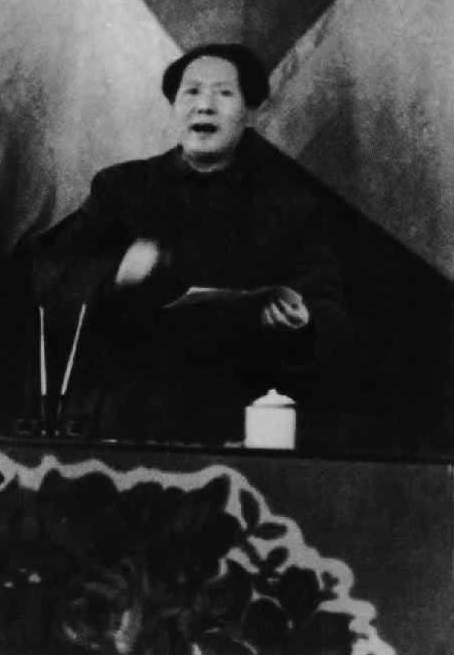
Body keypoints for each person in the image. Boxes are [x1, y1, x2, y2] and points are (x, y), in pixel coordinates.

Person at [33, 45, 353, 442]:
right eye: (192, 92)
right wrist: (116, 274)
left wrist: (303, 322)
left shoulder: (291, 204)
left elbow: (328, 309)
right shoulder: (120, 187)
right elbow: (53, 277)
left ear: (251, 112)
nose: (205, 105)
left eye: (224, 93)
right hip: (126, 412)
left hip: (243, 413)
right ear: (174, 106)